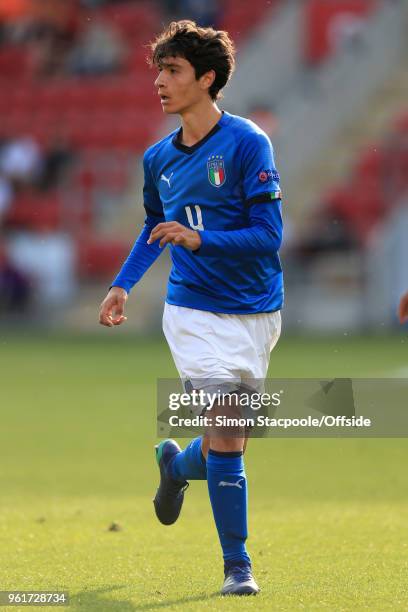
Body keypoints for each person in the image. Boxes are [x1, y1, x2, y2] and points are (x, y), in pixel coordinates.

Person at [99, 20, 283, 596]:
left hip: (257, 311)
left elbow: (269, 235)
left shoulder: (247, 142)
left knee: (229, 441)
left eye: (173, 70)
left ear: (207, 78)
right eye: (159, 69)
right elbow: (155, 225)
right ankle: (238, 567)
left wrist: (204, 239)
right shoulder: (158, 159)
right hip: (193, 313)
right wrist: (123, 283)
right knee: (228, 427)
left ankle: (176, 468)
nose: (160, 81)